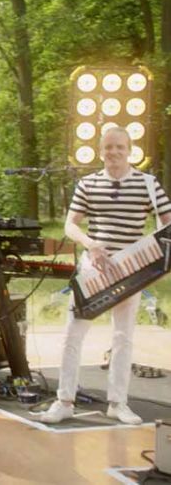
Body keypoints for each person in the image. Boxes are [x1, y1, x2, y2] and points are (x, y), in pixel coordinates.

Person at [41, 127, 171, 425]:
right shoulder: (88, 183)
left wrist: (152, 255)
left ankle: (118, 403)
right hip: (94, 268)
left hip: (133, 270)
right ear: (101, 151)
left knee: (123, 337)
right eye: (108, 148)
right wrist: (91, 244)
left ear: (130, 149)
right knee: (74, 332)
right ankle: (64, 401)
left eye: (119, 147)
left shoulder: (148, 184)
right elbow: (70, 225)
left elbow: (167, 224)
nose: (113, 152)